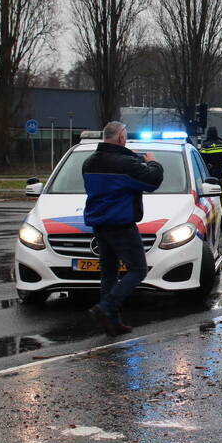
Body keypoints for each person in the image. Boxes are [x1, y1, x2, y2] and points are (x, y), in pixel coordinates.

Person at [83, 121, 164, 335]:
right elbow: (153, 181)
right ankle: (106, 307)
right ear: (121, 138)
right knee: (138, 269)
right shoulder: (125, 164)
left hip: (99, 224)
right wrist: (153, 163)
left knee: (109, 272)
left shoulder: (89, 163)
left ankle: (111, 321)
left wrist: (133, 159)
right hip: (121, 224)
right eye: (125, 137)